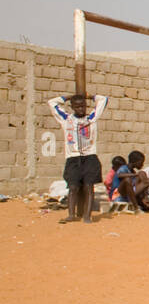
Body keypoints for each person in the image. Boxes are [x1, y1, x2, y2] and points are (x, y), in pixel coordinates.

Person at [47, 93, 107, 224]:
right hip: (73, 158)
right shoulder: (65, 119)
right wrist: (68, 97)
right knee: (73, 187)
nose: (81, 109)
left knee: (89, 187)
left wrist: (89, 96)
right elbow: (52, 102)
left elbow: (103, 100)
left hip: (90, 157)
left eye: (83, 106)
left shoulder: (92, 118)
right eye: (77, 107)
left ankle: (87, 216)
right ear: (72, 107)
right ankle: (71, 214)